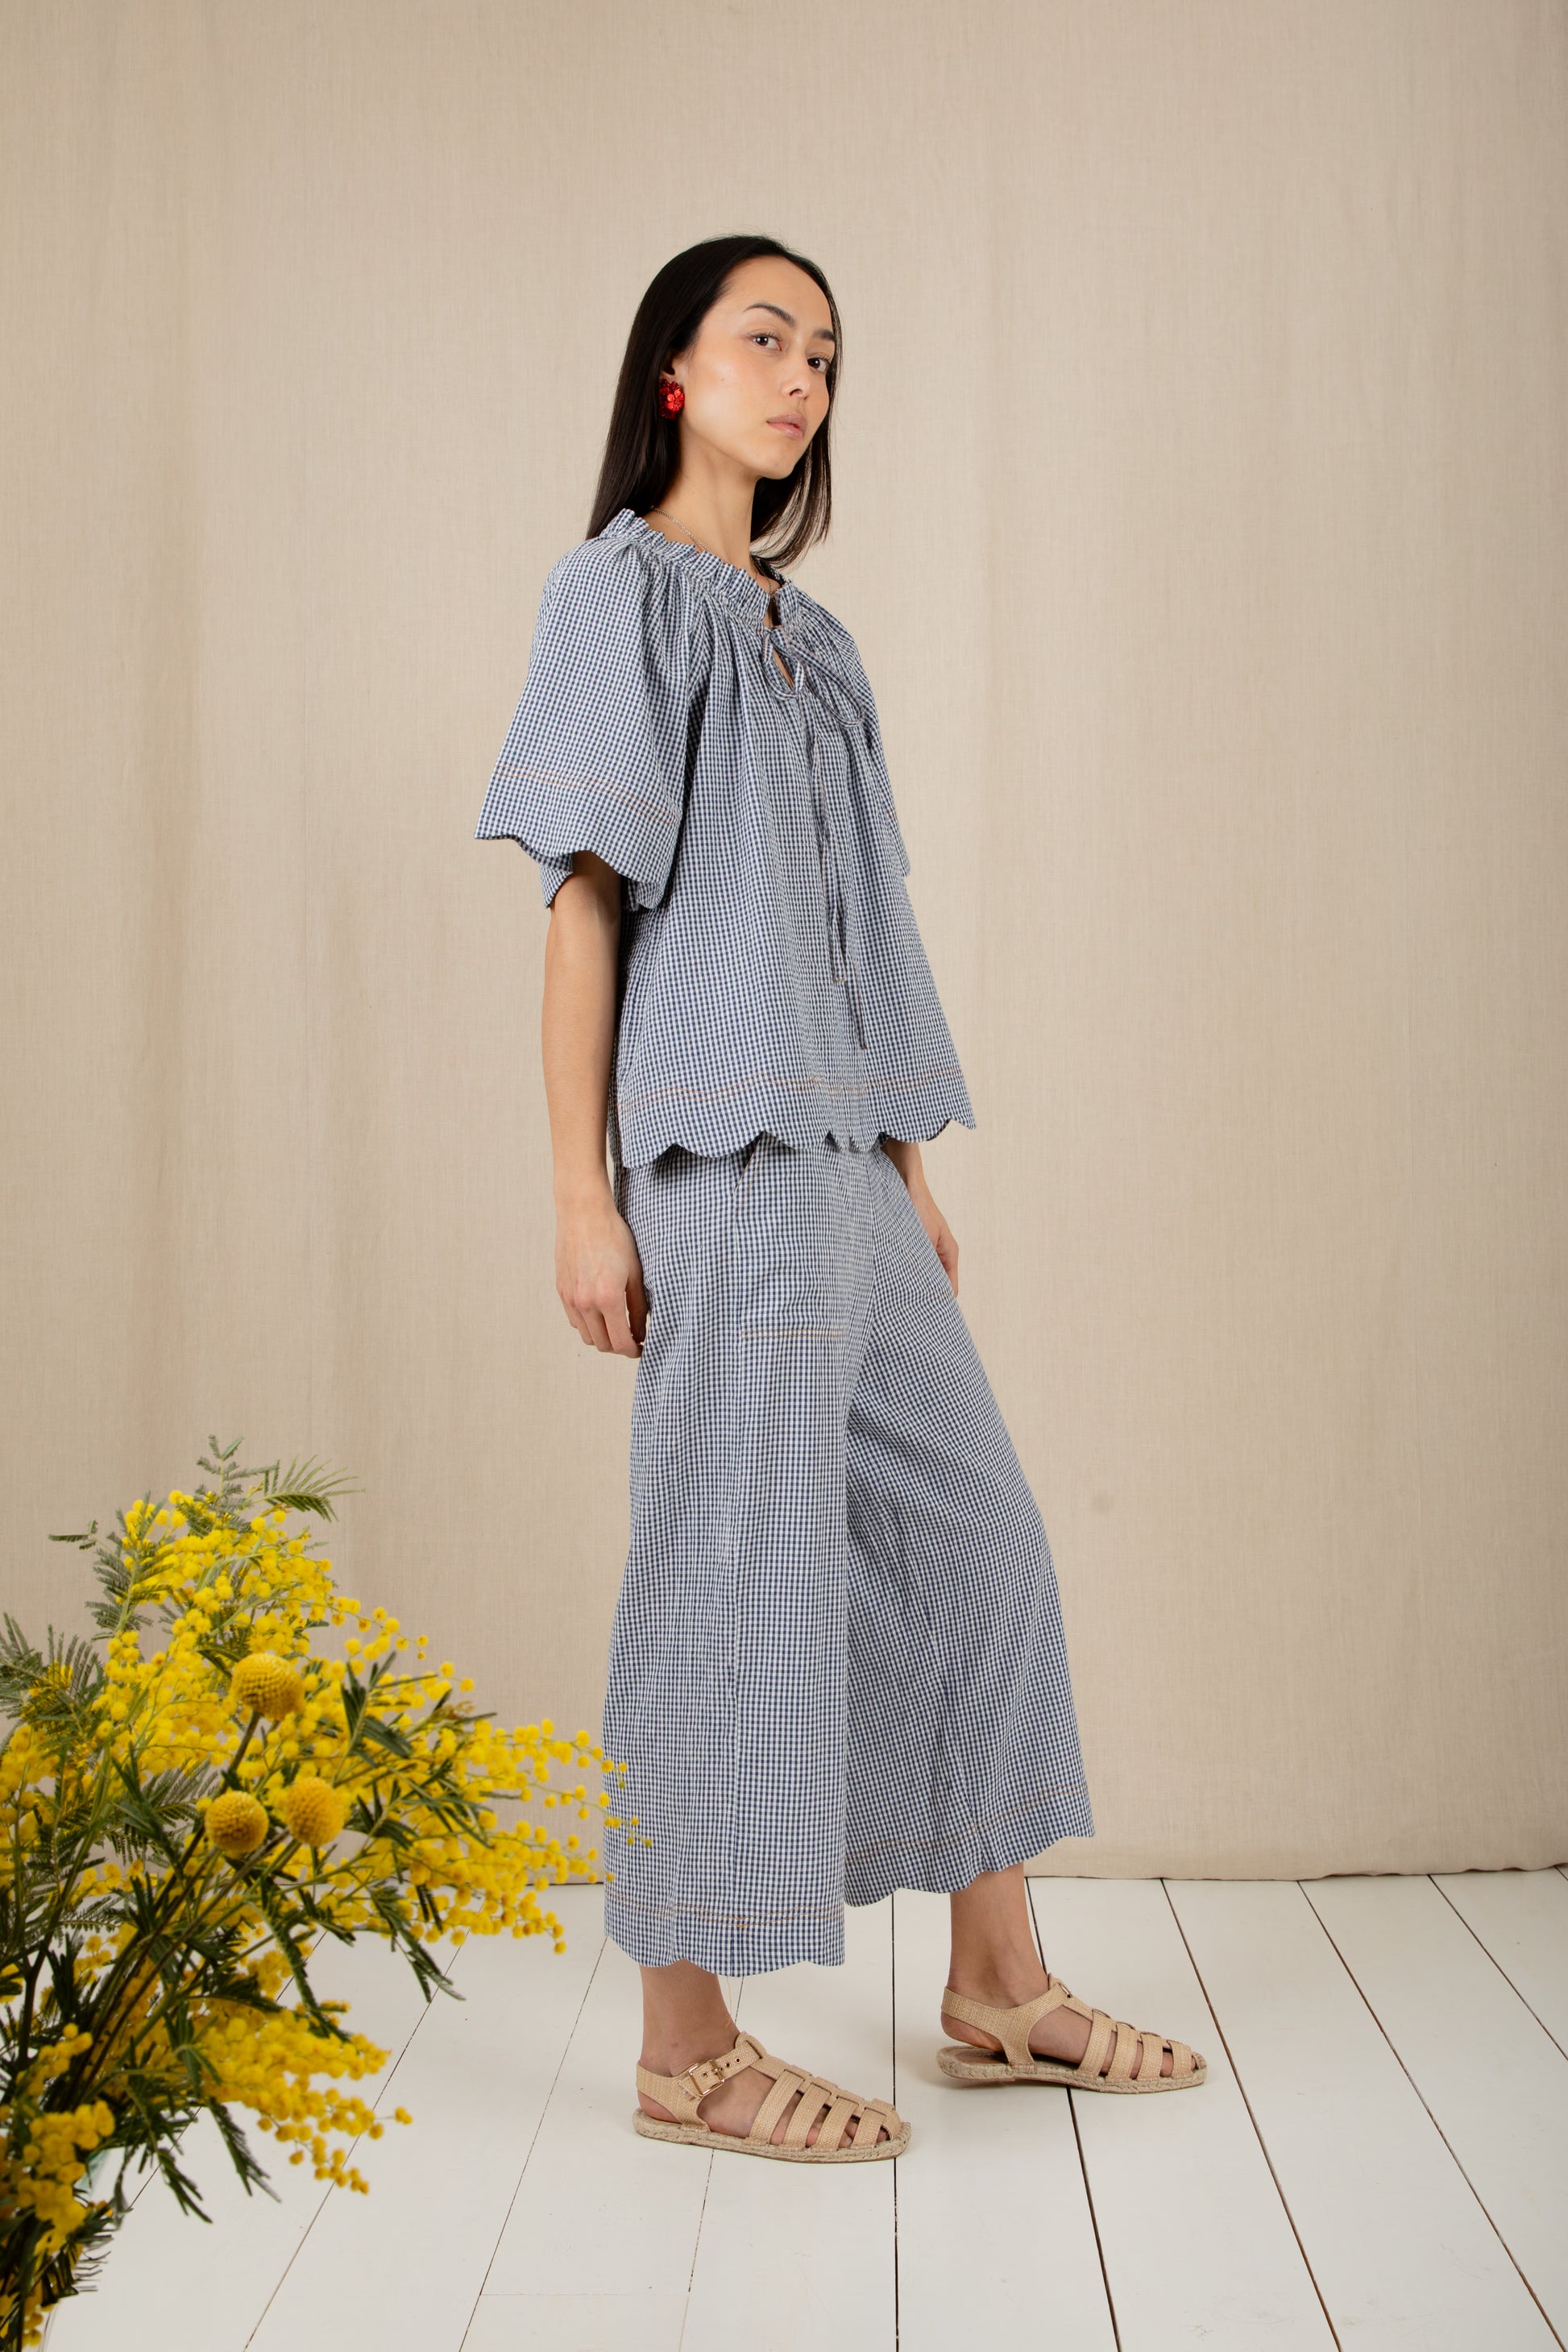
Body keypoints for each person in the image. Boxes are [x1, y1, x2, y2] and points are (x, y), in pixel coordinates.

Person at [474, 234, 1207, 2164]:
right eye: (764, 339)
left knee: (976, 1540)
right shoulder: (612, 596)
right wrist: (579, 1195)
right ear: (674, 371)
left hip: (846, 1164)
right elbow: (581, 906)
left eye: (824, 353)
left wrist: (902, 1162)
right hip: (713, 1165)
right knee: (726, 1574)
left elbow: (858, 926)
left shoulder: (819, 643)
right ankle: (684, 2048)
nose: (801, 376)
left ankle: (997, 1985)